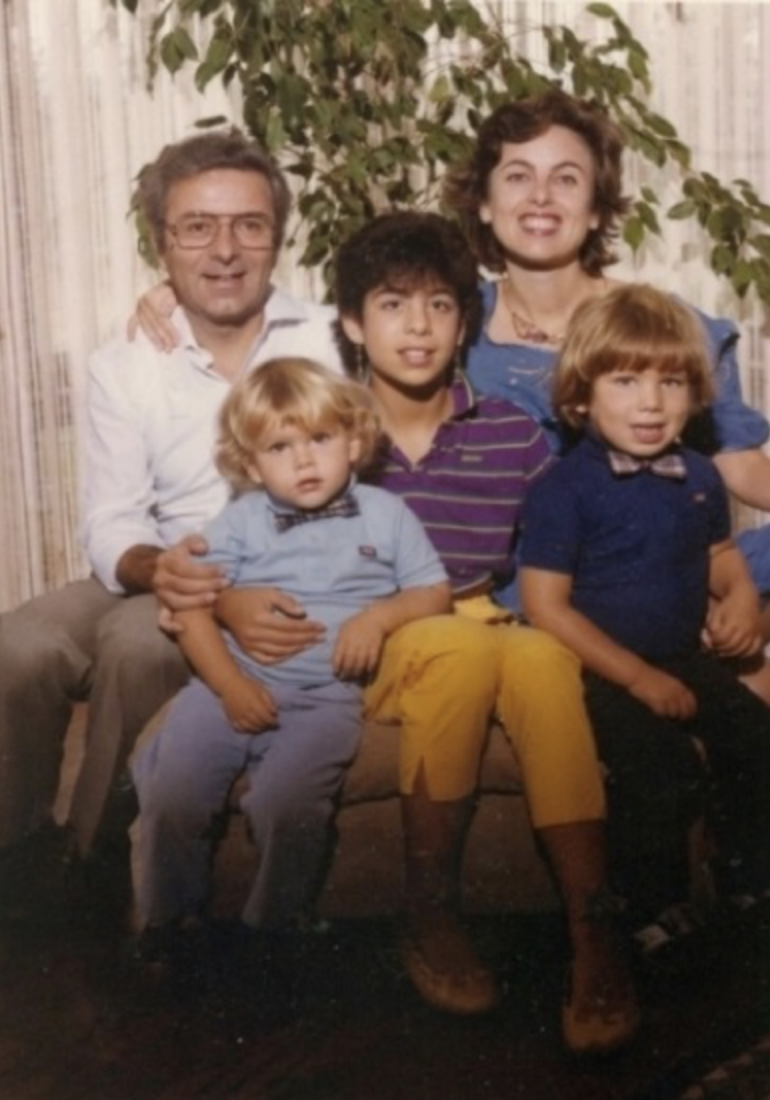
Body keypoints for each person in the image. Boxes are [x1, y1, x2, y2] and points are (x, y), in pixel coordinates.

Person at [141, 211, 640, 1055]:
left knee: (541, 662)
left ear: (464, 322)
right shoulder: (327, 430)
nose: (418, 327)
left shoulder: (511, 431)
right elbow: (249, 544)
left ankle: (594, 933)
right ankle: (430, 913)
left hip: (483, 609)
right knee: (459, 646)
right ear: (350, 322)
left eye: (441, 306)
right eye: (393, 305)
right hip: (396, 633)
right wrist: (223, 602)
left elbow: (578, 536)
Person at [0, 129, 343, 898]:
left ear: (278, 239)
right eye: (197, 227)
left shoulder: (332, 340)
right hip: (162, 557)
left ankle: (89, 865)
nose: (224, 250)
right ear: (163, 245)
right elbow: (111, 519)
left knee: (138, 642)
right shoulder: (124, 363)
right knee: (17, 646)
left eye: (248, 225)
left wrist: (206, 587)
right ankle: (13, 856)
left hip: (274, 564)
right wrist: (162, 568)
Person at [132, 357, 451, 944]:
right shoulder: (239, 521)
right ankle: (168, 919)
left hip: (328, 699)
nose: (304, 461)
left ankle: (274, 925)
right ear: (252, 464)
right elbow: (191, 610)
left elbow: (433, 592)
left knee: (289, 804)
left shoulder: (386, 513)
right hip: (228, 683)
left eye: (320, 439)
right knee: (175, 790)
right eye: (280, 448)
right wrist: (229, 686)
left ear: (353, 442)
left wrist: (380, 617)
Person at [442, 88, 770, 623]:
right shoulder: (449, 325)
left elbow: (738, 463)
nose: (541, 196)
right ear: (483, 201)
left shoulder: (662, 324)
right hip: (521, 588)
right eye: (518, 176)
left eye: (566, 179)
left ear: (596, 209)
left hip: (658, 569)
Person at [519, 284, 770, 927]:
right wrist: (636, 678)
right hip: (599, 670)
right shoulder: (563, 490)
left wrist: (742, 595)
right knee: (660, 766)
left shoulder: (699, 474)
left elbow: (720, 553)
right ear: (581, 396)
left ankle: (745, 881)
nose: (651, 402)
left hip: (683, 656)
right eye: (626, 381)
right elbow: (546, 606)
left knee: (757, 737)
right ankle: (654, 911)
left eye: (671, 382)